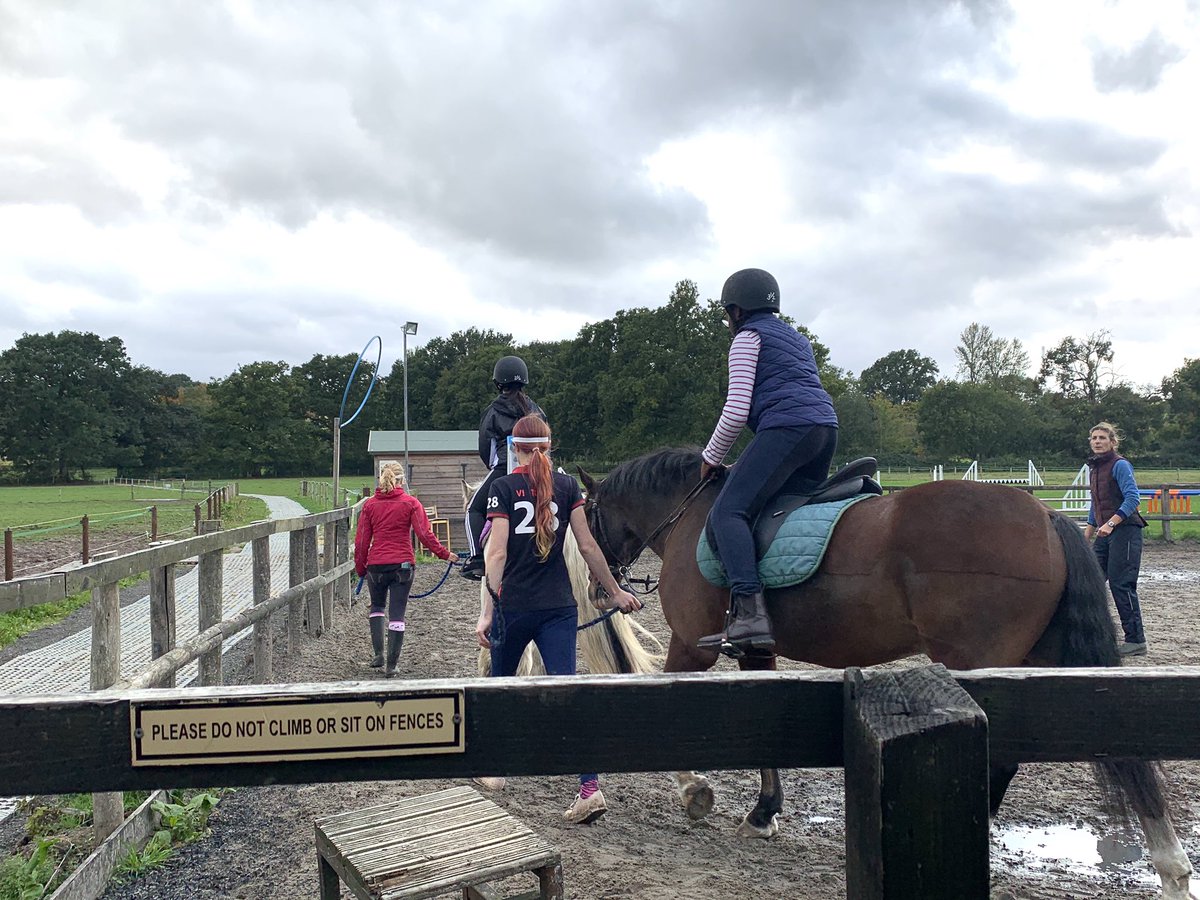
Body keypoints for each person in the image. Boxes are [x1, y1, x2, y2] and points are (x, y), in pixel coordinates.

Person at [474, 414, 642, 824]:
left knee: (499, 688)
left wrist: (487, 610)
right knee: (568, 692)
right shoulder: (567, 488)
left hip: (515, 607)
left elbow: (497, 553)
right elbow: (587, 547)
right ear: (550, 448)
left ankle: (495, 769)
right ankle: (589, 787)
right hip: (559, 609)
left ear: (514, 449)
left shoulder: (501, 489)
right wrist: (615, 592)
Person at [697, 268, 839, 657]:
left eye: (728, 315)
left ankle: (750, 614)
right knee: (782, 505)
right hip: (824, 430)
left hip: (786, 428)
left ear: (736, 310)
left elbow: (736, 409)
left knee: (728, 512)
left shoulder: (747, 338)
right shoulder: (798, 339)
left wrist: (711, 457)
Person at [355, 462, 453, 676]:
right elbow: (424, 535)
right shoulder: (410, 503)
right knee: (397, 613)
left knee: (377, 607)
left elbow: (362, 541)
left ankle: (378, 655)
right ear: (402, 480)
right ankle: (392, 665)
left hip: (376, 566)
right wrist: (445, 554)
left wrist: (361, 569)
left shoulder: (370, 505)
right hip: (403, 565)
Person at [461, 355, 547, 580]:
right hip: (540, 467)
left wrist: (496, 467)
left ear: (498, 383)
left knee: (473, 509)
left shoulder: (492, 411)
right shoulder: (537, 410)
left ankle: (477, 560)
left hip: (503, 468)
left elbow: (486, 448)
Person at [1084, 421, 1149, 657]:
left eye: (1102, 438)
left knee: (1121, 584)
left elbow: (1133, 498)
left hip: (1126, 531)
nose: (1097, 441)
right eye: (1094, 438)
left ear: (1112, 442)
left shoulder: (1120, 465)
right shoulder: (1095, 468)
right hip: (1105, 534)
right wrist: (1086, 536)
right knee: (1091, 583)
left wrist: (1111, 523)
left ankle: (1136, 640)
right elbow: (1096, 505)